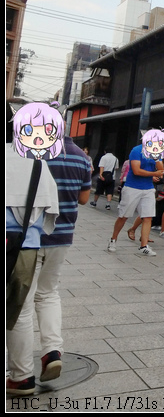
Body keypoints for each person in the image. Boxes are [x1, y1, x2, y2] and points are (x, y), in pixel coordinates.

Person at [5, 143, 61, 396]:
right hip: (25, 249)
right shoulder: (37, 162)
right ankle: (21, 377)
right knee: (20, 313)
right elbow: (51, 212)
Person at [107, 131, 164, 256]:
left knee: (148, 216)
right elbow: (136, 170)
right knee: (124, 216)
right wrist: (153, 174)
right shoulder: (136, 150)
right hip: (132, 187)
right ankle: (113, 239)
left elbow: (161, 169)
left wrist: (156, 158)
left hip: (148, 188)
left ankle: (143, 245)